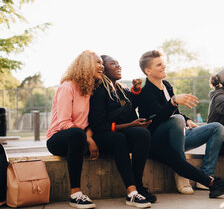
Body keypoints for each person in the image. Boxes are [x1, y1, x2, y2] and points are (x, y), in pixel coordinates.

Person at [136, 50, 224, 198]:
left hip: (177, 135)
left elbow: (174, 111)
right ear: (148, 71)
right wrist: (174, 102)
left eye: (164, 63)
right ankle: (181, 172)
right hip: (158, 139)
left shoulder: (166, 85)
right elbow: (156, 119)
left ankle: (206, 177)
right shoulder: (145, 92)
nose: (164, 66)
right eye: (159, 65)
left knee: (216, 127)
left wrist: (187, 118)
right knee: (177, 120)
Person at [88, 55, 155, 208]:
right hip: (104, 134)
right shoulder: (99, 90)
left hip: (123, 130)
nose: (118, 66)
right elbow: (98, 124)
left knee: (143, 134)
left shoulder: (122, 88)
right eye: (113, 64)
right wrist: (131, 124)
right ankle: (131, 191)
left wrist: (136, 91)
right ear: (103, 69)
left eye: (118, 63)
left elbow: (129, 107)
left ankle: (138, 185)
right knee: (118, 138)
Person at [46, 50, 103, 209]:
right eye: (98, 62)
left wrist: (89, 138)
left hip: (78, 138)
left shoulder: (89, 90)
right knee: (77, 134)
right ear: (85, 65)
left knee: (86, 134)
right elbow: (64, 122)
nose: (102, 66)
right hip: (57, 139)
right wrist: (86, 138)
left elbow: (88, 122)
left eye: (102, 63)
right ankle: (75, 194)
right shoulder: (67, 87)